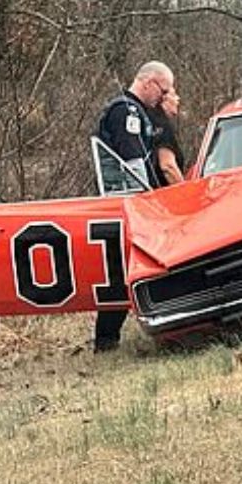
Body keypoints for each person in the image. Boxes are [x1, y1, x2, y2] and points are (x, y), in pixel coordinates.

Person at [93, 61, 176, 351]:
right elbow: (133, 163)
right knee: (122, 271)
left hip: (131, 204)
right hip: (129, 206)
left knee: (125, 271)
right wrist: (150, 202)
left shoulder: (138, 112)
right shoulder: (126, 111)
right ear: (149, 82)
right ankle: (106, 339)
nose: (163, 97)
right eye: (163, 90)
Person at [149, 84, 186, 186]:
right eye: (174, 95)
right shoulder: (162, 124)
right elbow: (167, 167)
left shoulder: (148, 121)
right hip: (162, 194)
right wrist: (185, 192)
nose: (178, 99)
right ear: (163, 99)